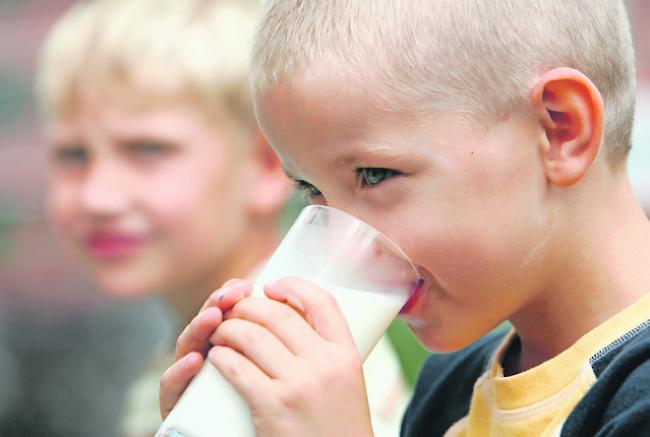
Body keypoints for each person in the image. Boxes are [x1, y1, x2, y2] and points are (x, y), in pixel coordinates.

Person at [160, 0, 650, 435]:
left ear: (560, 130)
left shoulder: (637, 397)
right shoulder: (453, 383)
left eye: (375, 175)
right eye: (311, 191)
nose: (337, 246)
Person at [35, 0, 412, 436]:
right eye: (72, 155)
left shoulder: (307, 370)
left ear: (269, 166)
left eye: (147, 149)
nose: (97, 196)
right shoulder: (189, 358)